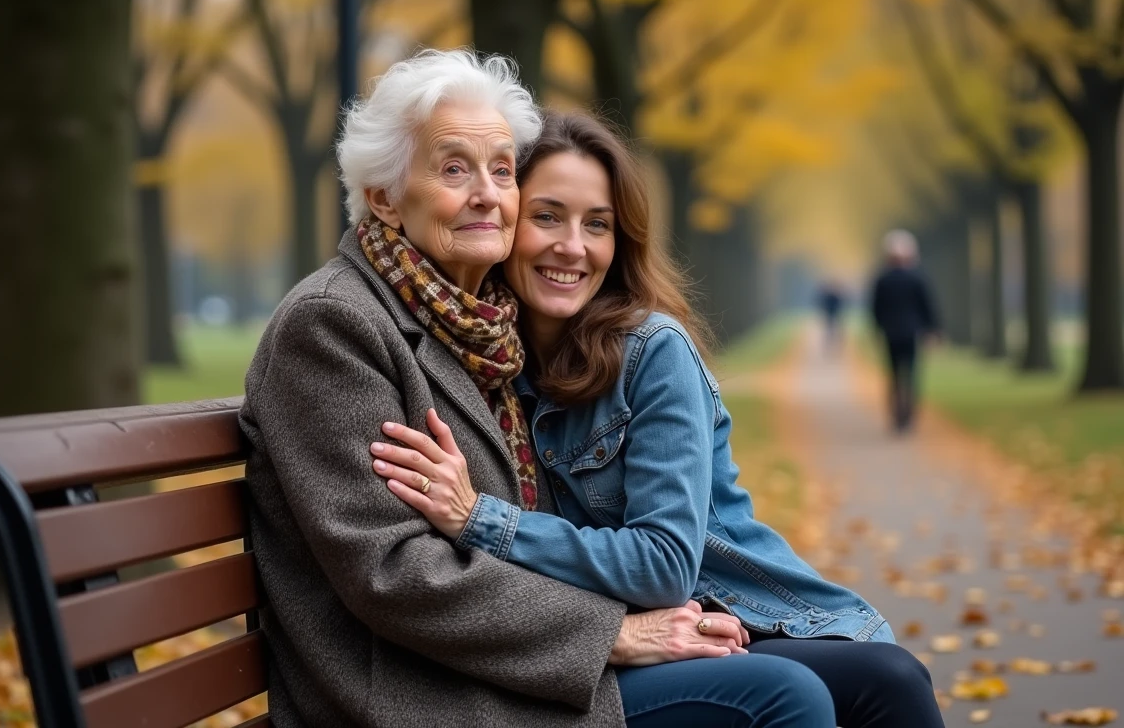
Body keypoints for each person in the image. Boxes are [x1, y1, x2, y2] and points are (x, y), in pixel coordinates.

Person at [242, 50, 836, 728]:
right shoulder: (335, 324)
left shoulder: (480, 327)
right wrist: (613, 634)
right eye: (454, 169)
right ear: (383, 197)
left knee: (866, 681)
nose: (486, 194)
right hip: (418, 692)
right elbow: (394, 571)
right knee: (784, 698)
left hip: (504, 667)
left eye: (502, 171)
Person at [370, 111, 946, 728]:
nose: (573, 246)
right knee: (813, 691)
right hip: (608, 642)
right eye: (547, 216)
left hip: (733, 612)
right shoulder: (482, 362)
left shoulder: (652, 351)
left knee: (891, 678)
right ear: (508, 222)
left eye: (598, 224)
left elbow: (665, 566)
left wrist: (481, 520)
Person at [869, 229, 939, 433]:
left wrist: (877, 328)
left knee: (894, 374)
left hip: (890, 333)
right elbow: (927, 306)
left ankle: (896, 412)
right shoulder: (917, 278)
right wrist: (933, 329)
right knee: (911, 373)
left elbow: (876, 308)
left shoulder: (883, 279)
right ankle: (908, 413)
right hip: (911, 333)